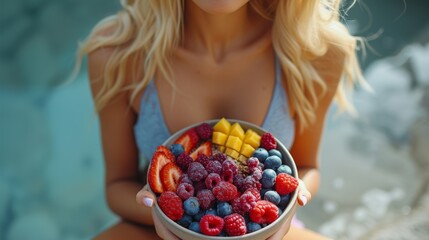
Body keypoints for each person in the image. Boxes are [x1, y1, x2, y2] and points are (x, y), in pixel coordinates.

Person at [76, 0, 366, 239]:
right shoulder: (115, 53)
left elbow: (305, 167)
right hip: (155, 228)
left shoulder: (319, 50)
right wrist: (166, 214)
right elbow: (118, 186)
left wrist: (289, 203)